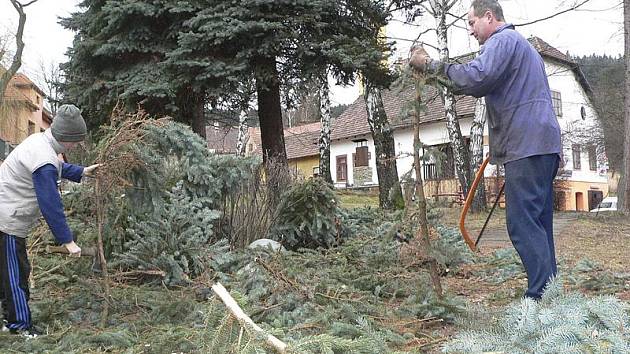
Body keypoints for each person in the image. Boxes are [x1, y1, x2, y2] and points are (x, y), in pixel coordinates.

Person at [409, 0, 561, 300]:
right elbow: (517, 96)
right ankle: (552, 294)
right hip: (544, 145)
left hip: (527, 146)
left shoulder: (501, 41)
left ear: (489, 17)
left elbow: (476, 78)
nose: (470, 30)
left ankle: (540, 299)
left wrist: (430, 65)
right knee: (539, 223)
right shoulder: (524, 48)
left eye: (471, 22)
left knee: (521, 223)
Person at [0, 104, 100, 337]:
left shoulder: (40, 143)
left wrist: (82, 171)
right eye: (76, 141)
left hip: (5, 215)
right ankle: (20, 327)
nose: (76, 145)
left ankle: (9, 320)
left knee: (6, 273)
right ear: (66, 138)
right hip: (7, 220)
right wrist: (68, 241)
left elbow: (56, 166)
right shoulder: (44, 156)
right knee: (16, 275)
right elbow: (51, 204)